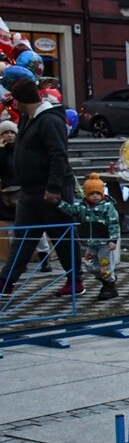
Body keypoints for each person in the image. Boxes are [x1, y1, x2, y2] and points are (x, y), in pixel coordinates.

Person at [0, 78, 82, 297]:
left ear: (22, 99)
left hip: (50, 189)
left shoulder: (49, 120)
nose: (13, 104)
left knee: (62, 235)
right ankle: (6, 281)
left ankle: (75, 280)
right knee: (24, 237)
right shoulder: (28, 118)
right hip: (29, 190)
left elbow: (58, 155)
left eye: (15, 99)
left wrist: (54, 187)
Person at [57, 173, 121, 300]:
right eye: (92, 194)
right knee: (89, 264)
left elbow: (114, 223)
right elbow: (70, 210)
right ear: (87, 194)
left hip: (104, 243)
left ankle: (109, 286)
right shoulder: (83, 207)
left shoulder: (108, 207)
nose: (95, 196)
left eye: (98, 193)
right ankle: (108, 277)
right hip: (91, 242)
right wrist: (59, 203)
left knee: (105, 265)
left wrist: (113, 239)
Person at [0, 120, 17, 263]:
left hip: (22, 192)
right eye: (6, 133)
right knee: (12, 228)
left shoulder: (21, 149)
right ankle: (15, 259)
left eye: (12, 132)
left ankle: (44, 256)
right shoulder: (2, 151)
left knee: (32, 228)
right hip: (7, 194)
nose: (10, 136)